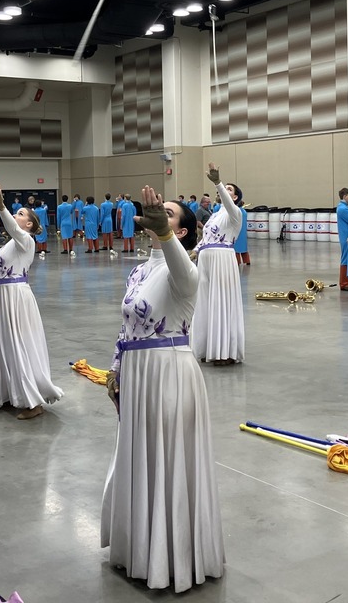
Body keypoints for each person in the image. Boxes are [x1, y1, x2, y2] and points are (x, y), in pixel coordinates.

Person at [102, 185, 224, 592]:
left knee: (169, 459)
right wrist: (115, 369)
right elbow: (127, 327)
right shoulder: (138, 270)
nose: (159, 214)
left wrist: (166, 236)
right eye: (159, 212)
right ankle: (140, 549)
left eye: (170, 214)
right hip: (137, 375)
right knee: (142, 457)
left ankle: (174, 558)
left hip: (169, 374)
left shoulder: (186, 270)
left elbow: (184, 276)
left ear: (183, 231)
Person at [0, 184, 62, 419]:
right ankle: (8, 392)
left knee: (19, 344)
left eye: (22, 214)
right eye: (17, 212)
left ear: (29, 225)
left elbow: (12, 228)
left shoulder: (26, 239)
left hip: (15, 297)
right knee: (5, 343)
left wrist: (2, 207)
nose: (17, 215)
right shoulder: (12, 242)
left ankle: (33, 402)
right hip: (3, 296)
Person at [191, 163, 245, 365]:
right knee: (205, 303)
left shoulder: (235, 212)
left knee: (221, 302)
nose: (224, 191)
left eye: (230, 190)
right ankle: (207, 348)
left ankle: (224, 352)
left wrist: (218, 183)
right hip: (205, 261)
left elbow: (228, 204)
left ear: (235, 197)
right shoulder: (215, 214)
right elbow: (206, 237)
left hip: (222, 260)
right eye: (225, 189)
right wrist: (195, 251)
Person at [336, 188, 348, 291]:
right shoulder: (343, 209)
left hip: (346, 236)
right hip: (346, 236)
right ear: (344, 196)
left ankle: (347, 282)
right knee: (345, 259)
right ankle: (344, 283)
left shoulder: (343, 207)